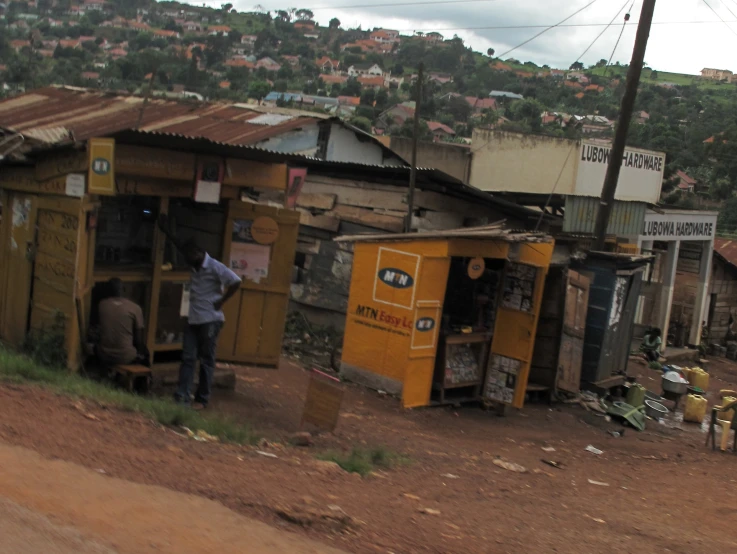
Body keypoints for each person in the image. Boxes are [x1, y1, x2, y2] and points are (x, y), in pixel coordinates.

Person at [158, 215, 242, 409]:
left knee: (206, 360)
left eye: (189, 256)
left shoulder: (214, 267)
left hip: (210, 321)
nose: (186, 260)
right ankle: (182, 396)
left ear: (198, 253)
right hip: (194, 320)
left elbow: (236, 281)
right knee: (187, 358)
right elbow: (180, 245)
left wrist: (222, 301)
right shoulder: (195, 262)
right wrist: (166, 230)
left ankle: (202, 399)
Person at [96, 278, 147, 368]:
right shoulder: (135, 308)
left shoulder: (102, 304)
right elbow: (138, 340)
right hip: (126, 357)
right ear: (124, 289)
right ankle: (145, 380)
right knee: (145, 353)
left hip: (103, 354)